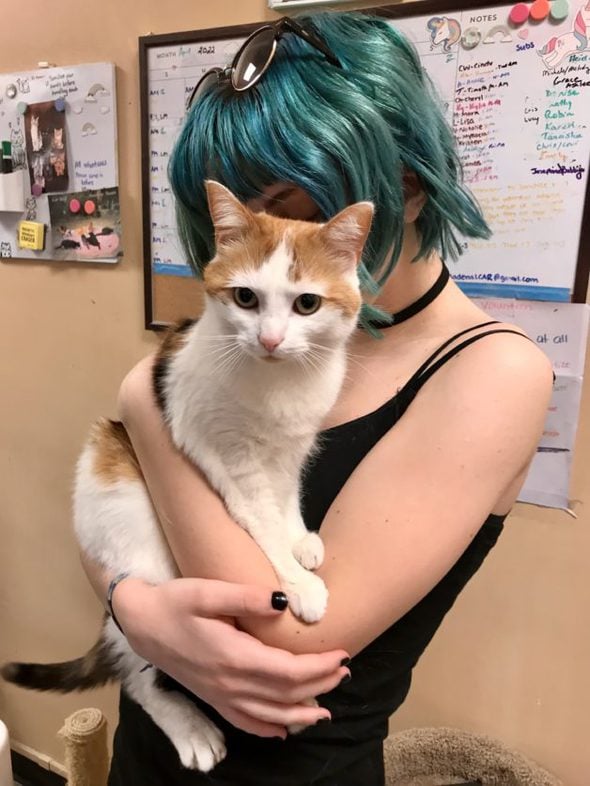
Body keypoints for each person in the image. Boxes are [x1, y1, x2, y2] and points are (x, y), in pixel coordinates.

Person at [81, 11, 553, 785]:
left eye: (291, 213)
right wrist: (131, 602)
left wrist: (144, 399)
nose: (270, 242)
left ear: (399, 188)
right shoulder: (263, 326)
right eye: (237, 222)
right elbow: (125, 516)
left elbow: (286, 630)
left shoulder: (493, 374)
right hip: (152, 749)